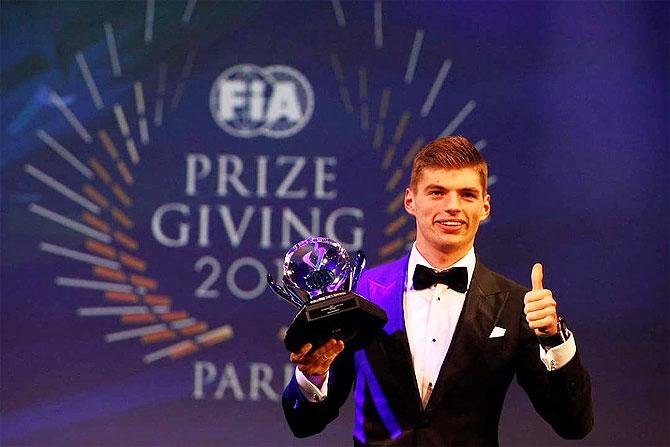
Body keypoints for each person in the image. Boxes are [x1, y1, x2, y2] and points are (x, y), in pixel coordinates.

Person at [282, 136, 593, 446]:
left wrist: (555, 338)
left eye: (467, 194)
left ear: (485, 206)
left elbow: (573, 424)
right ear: (410, 201)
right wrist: (313, 377)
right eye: (437, 192)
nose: (453, 206)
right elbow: (304, 424)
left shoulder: (515, 305)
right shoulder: (362, 292)